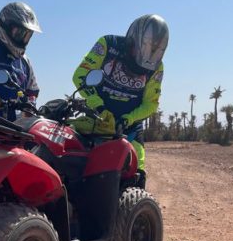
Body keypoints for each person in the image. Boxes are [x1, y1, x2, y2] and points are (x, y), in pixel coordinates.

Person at [71, 14, 169, 181]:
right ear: (133, 40)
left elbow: (150, 104)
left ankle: (137, 206)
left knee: (137, 174)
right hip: (96, 121)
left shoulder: (157, 67)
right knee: (70, 162)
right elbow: (80, 75)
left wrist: (128, 119)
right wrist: (99, 107)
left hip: (129, 129)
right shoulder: (108, 45)